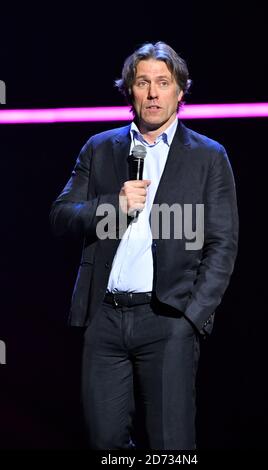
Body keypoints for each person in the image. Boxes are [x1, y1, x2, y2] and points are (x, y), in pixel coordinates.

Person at [50, 41, 239, 450]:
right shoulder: (101, 148)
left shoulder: (208, 156)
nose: (152, 93)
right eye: (142, 82)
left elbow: (222, 244)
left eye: (163, 82)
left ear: (179, 91)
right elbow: (61, 215)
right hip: (104, 319)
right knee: (104, 443)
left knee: (171, 444)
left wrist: (191, 318)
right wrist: (112, 206)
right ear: (129, 91)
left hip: (168, 319)